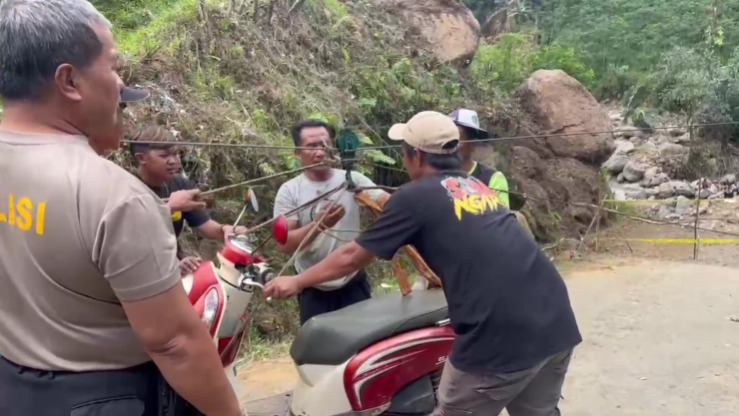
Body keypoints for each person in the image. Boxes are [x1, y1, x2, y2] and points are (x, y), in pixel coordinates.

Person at [0, 1, 243, 415]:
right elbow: (174, 343)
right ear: (69, 80)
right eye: (113, 67)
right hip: (104, 399)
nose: (119, 84)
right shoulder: (115, 195)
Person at [265, 111, 582, 416]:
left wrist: (296, 281)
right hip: (555, 318)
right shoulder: (474, 186)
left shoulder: (414, 196)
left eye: (403, 152)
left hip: (497, 334)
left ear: (415, 155)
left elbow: (353, 256)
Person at [273, 119, 388, 324]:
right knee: (320, 343)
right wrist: (319, 225)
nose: (320, 152)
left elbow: (389, 206)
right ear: (297, 153)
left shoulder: (352, 180)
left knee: (364, 339)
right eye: (311, 146)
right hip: (312, 285)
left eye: (325, 144)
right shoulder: (289, 191)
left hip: (352, 280)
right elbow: (285, 245)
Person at [129, 125, 248, 275]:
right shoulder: (126, 188)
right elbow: (129, 236)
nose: (173, 161)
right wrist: (169, 208)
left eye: (175, 154)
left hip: (171, 262)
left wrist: (226, 230)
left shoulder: (180, 185)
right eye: (164, 156)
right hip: (137, 268)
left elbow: (208, 227)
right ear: (141, 158)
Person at [449, 108, 534, 238]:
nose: (450, 146)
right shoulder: (435, 174)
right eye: (447, 140)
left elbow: (501, 225)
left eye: (457, 140)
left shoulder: (493, 179)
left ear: (473, 144)